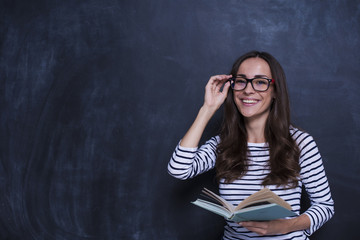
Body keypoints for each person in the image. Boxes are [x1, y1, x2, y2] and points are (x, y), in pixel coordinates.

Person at [167, 51, 334, 239]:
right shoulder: (222, 144)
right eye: (241, 81)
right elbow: (179, 169)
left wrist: (285, 226)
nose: (248, 90)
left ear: (275, 91)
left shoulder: (300, 143)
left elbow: (325, 206)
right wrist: (208, 108)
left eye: (261, 82)